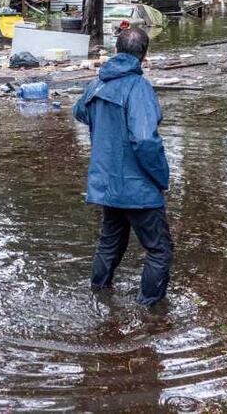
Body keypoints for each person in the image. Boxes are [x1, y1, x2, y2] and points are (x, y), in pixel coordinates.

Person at [73, 26, 173, 306]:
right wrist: (161, 177)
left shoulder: (98, 83)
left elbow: (80, 111)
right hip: (137, 188)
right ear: (145, 55)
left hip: (107, 185)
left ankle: (98, 296)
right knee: (159, 250)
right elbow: (145, 141)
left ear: (116, 50)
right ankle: (150, 312)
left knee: (109, 243)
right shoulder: (138, 87)